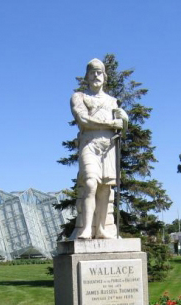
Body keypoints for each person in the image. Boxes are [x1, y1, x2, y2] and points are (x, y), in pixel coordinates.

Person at [69, 58, 128, 239]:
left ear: (105, 76)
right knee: (90, 183)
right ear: (86, 76)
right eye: (92, 72)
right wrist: (111, 122)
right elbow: (83, 120)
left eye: (99, 72)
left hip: (109, 147)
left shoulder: (112, 101)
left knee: (105, 189)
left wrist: (124, 121)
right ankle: (86, 228)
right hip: (89, 144)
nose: (96, 75)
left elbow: (121, 128)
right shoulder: (79, 97)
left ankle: (102, 229)